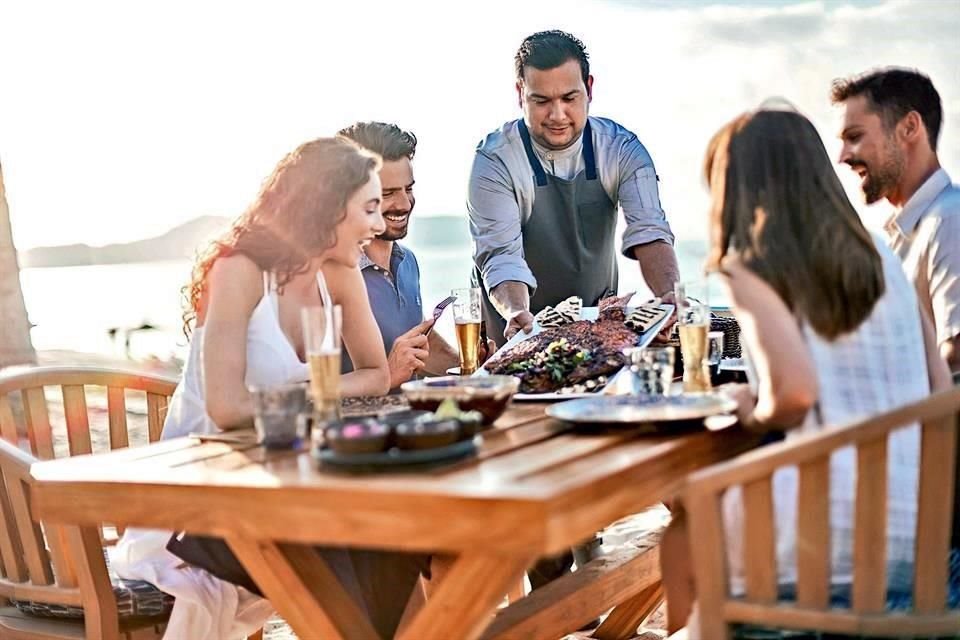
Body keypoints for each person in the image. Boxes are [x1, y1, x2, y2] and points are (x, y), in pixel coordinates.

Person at [110, 138, 428, 640]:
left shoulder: (340, 274)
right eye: (367, 207)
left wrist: (319, 395)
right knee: (351, 535)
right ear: (325, 208)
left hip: (283, 476)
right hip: (202, 502)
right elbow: (226, 406)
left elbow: (377, 375)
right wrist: (325, 395)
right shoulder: (239, 271)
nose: (376, 223)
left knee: (389, 535)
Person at [659, 107, 955, 636]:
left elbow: (794, 393)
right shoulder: (883, 255)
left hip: (813, 551)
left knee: (684, 523)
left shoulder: (749, 264)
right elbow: (937, 391)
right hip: (911, 544)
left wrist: (752, 409)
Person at [468, 30, 680, 347]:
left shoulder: (622, 149)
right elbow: (501, 258)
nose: (557, 115)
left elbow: (649, 230)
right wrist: (516, 311)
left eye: (569, 98)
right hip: (516, 330)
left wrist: (668, 296)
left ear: (589, 89)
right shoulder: (495, 160)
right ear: (520, 93)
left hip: (597, 330)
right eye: (541, 101)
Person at [833, 68, 960, 377]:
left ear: (909, 127)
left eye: (855, 137)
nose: (843, 156)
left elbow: (956, 356)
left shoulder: (950, 219)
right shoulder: (906, 231)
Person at [336, 121, 463, 388]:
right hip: (353, 427)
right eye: (388, 193)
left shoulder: (408, 262)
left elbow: (417, 350)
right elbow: (306, 386)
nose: (404, 203)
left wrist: (470, 366)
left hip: (409, 420)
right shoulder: (328, 274)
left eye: (408, 188)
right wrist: (385, 375)